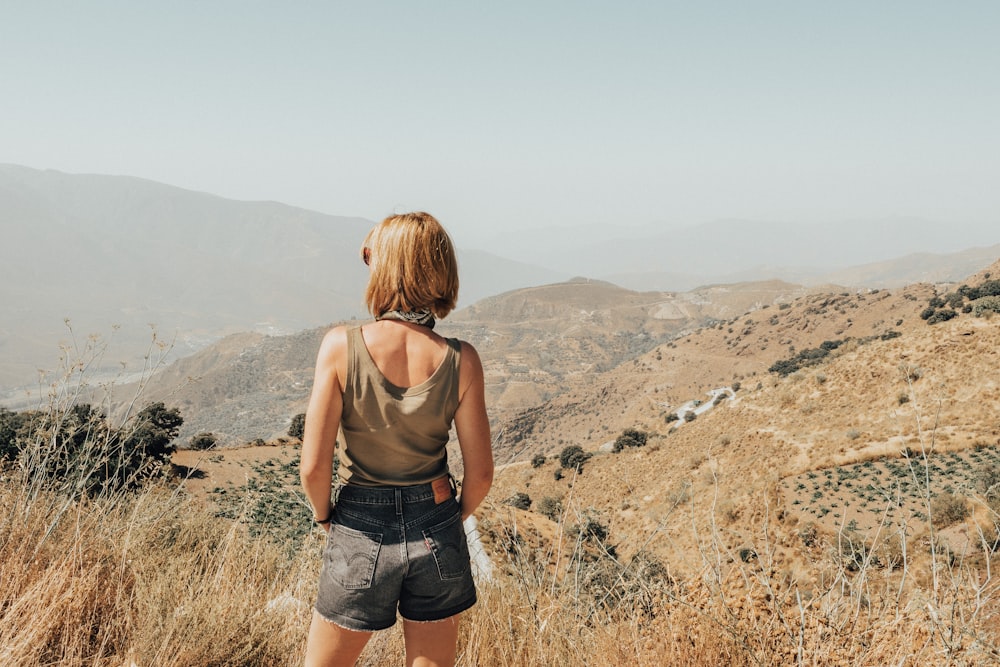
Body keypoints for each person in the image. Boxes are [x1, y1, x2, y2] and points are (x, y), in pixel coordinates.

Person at [300, 212, 494, 667]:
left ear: (380, 267)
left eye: (369, 256)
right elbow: (481, 474)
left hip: (359, 525)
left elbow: (312, 468)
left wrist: (325, 517)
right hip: (437, 526)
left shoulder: (339, 347)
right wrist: (446, 518)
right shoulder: (462, 360)